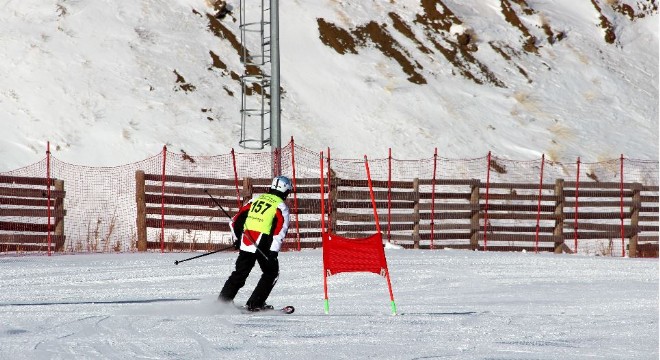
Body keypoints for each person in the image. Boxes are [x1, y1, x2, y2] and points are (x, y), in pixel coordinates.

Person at [218, 175, 292, 311]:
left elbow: (234, 221)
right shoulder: (281, 206)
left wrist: (237, 240)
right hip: (264, 246)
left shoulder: (255, 199)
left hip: (246, 242)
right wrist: (273, 252)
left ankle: (222, 302)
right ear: (286, 191)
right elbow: (280, 231)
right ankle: (255, 303)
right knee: (271, 273)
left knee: (240, 273)